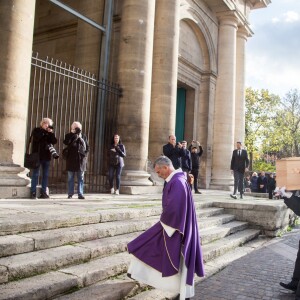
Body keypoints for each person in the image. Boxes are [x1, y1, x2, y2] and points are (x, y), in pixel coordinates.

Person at [127, 156, 205, 300]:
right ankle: (136, 272)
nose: (158, 174)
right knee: (146, 245)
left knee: (149, 244)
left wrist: (164, 221)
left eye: (158, 171)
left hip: (175, 227)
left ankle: (185, 294)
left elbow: (175, 209)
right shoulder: (177, 180)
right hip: (175, 226)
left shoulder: (177, 182)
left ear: (165, 167)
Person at [30, 117, 58, 199]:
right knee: (35, 174)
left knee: (45, 175)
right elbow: (38, 138)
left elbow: (54, 141)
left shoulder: (48, 133)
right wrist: (45, 132)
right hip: (37, 156)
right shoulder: (37, 130)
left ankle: (43, 192)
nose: (47, 125)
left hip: (46, 156)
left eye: (49, 124)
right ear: (42, 123)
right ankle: (33, 192)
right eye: (46, 123)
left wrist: (51, 133)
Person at [63, 121, 89, 199]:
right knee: (71, 177)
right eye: (75, 127)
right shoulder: (68, 135)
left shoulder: (83, 136)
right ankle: (70, 193)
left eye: (78, 128)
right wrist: (72, 134)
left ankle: (80, 193)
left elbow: (87, 147)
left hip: (81, 160)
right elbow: (66, 142)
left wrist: (85, 155)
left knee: (81, 177)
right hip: (71, 159)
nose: (77, 129)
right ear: (72, 128)